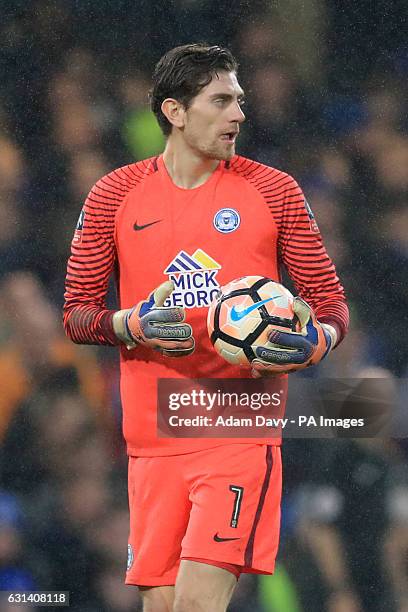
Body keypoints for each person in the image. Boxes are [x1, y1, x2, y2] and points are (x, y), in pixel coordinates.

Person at [63, 44, 349, 612]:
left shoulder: (275, 191)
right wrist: (131, 323)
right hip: (152, 439)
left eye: (239, 101)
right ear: (174, 111)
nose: (239, 114)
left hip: (237, 429)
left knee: (196, 606)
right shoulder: (114, 195)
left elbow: (330, 305)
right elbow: (77, 313)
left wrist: (313, 342)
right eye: (220, 101)